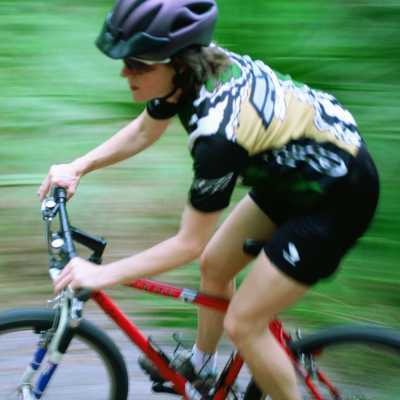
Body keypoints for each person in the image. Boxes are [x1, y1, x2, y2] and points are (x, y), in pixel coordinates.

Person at [38, 1, 380, 399]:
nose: (124, 71)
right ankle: (203, 368)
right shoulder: (192, 71)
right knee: (216, 265)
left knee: (244, 324)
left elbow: (187, 242)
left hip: (337, 198)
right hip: (296, 175)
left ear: (177, 63)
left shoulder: (217, 137)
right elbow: (144, 131)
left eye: (138, 64)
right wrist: (78, 166)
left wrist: (101, 274)